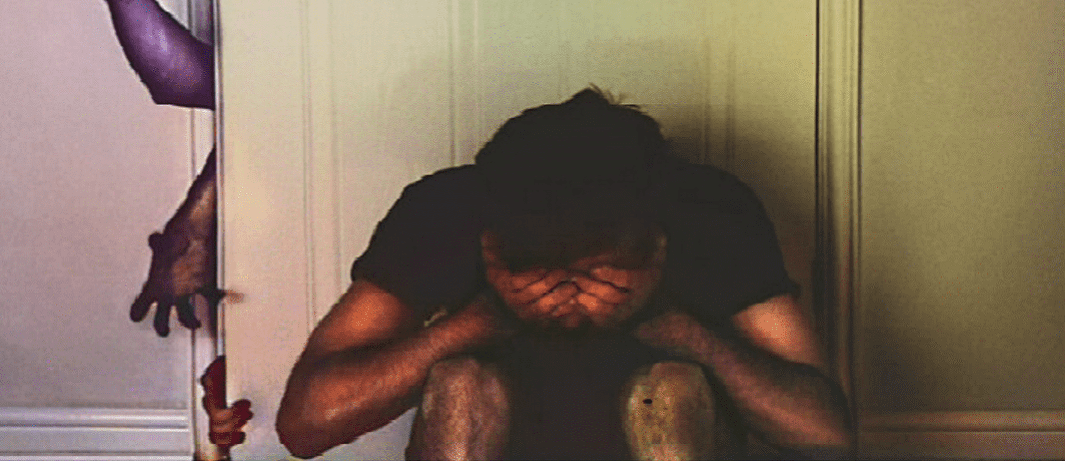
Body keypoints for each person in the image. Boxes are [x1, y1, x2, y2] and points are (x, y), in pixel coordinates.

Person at [266, 89, 852, 460]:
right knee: (462, 384)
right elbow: (305, 425)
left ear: (658, 243)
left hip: (670, 437)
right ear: (490, 240)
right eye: (545, 268)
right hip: (494, 438)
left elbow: (826, 434)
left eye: (597, 270)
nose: (571, 295)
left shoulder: (711, 211)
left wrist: (682, 331)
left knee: (672, 391)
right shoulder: (445, 211)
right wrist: (475, 324)